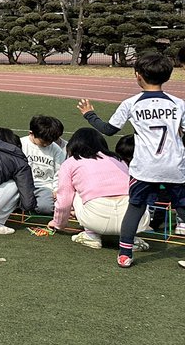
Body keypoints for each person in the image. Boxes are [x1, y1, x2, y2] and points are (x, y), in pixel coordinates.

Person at [79, 50, 185, 268]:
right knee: (183, 209)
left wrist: (90, 114)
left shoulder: (131, 103)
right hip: (175, 166)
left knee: (135, 207)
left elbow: (108, 130)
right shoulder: (178, 103)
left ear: (138, 76)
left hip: (144, 168)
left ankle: (125, 253)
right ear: (168, 76)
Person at [49, 127, 148, 251]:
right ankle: (131, 240)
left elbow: (64, 200)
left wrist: (58, 223)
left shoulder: (70, 163)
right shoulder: (118, 159)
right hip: (135, 221)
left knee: (73, 192)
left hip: (97, 219)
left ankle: (91, 235)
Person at [22, 115, 66, 215]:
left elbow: (59, 172)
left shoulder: (56, 149)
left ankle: (28, 205)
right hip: (22, 185)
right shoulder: (21, 144)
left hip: (44, 186)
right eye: (43, 141)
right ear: (31, 133)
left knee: (46, 208)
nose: (47, 144)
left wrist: (56, 189)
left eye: (50, 141)